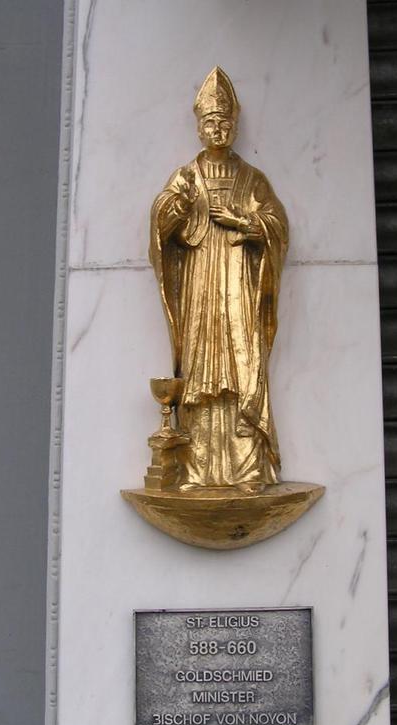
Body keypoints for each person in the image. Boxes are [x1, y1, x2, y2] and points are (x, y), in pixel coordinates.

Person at [149, 67, 288, 494]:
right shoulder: (186, 176)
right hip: (200, 288)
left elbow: (276, 224)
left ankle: (248, 470)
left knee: (242, 371)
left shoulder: (252, 179)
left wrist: (244, 222)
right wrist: (178, 208)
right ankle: (196, 469)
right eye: (210, 122)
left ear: (236, 126)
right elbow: (162, 224)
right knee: (200, 376)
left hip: (239, 289)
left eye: (225, 122)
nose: (218, 129)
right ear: (199, 127)